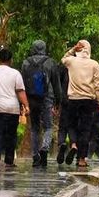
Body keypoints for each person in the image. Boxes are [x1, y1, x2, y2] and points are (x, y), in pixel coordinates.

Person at [0, 48, 29, 168]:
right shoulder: (15, 73)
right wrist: (26, 106)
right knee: (11, 134)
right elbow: (20, 91)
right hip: (11, 108)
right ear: (10, 60)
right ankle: (9, 160)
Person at [61, 40, 99, 168]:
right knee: (85, 129)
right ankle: (81, 159)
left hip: (73, 99)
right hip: (88, 100)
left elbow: (63, 59)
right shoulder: (94, 64)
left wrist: (73, 49)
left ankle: (74, 144)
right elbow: (98, 85)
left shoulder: (72, 61)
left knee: (72, 125)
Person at [21, 40, 63, 168]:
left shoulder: (26, 63)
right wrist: (58, 102)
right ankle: (45, 147)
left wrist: (23, 103)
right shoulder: (50, 62)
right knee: (48, 127)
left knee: (34, 128)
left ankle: (35, 157)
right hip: (47, 98)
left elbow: (22, 84)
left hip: (31, 99)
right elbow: (56, 84)